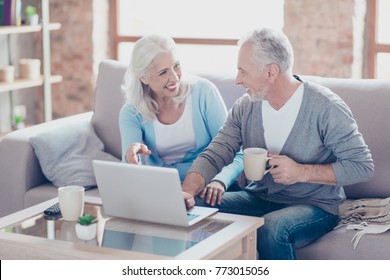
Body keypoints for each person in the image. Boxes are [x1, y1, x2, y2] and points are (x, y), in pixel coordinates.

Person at [182, 28, 374, 259]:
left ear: (271, 72)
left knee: (272, 227)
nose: (237, 79)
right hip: (259, 198)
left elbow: (362, 166)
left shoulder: (326, 107)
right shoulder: (246, 106)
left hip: (315, 205)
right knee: (194, 206)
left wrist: (301, 172)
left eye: (243, 71)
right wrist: (187, 191)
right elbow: (217, 152)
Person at [119, 34, 243, 194]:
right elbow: (129, 173)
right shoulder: (131, 113)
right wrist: (131, 159)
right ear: (144, 78)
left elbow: (236, 153)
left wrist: (220, 181)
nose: (174, 77)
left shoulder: (204, 93)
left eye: (176, 66)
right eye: (163, 72)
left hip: (208, 187)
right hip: (161, 191)